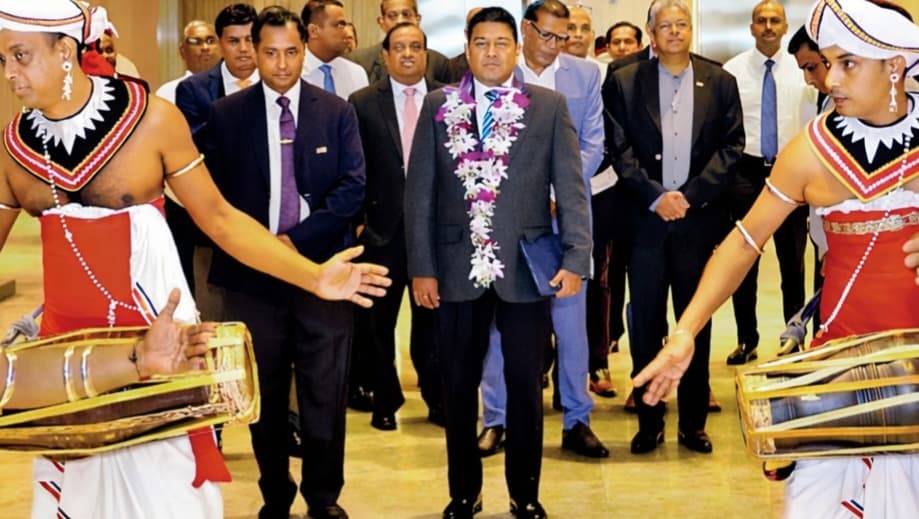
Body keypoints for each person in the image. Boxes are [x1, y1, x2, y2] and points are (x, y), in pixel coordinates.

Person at [0, 1, 388, 517]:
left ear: (66, 51)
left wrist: (315, 277)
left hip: (158, 342)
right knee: (72, 492)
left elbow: (220, 219)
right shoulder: (14, 146)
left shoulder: (152, 121)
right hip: (65, 355)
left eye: (21, 56)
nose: (10, 74)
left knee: (166, 492)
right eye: (4, 59)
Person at [635, 0, 919, 516]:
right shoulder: (811, 150)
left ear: (894, 64)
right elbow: (744, 242)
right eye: (828, 62)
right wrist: (686, 332)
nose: (831, 78)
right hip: (839, 370)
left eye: (848, 63)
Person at [405, 7, 591, 518]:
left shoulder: (547, 106)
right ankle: (464, 491)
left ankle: (524, 493)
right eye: (481, 43)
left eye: (501, 43)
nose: (491, 52)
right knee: (458, 387)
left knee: (526, 387)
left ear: (517, 48)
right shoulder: (439, 106)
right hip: (453, 268)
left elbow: (571, 190)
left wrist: (576, 258)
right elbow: (419, 192)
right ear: (468, 49)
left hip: (526, 269)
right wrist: (421, 266)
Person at [203, 7, 363, 518]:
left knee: (323, 392)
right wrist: (263, 249)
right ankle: (275, 494)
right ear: (252, 50)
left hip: (323, 275)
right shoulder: (228, 114)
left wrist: (294, 243)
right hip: (251, 281)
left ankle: (323, 498)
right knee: (264, 394)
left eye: (291, 52)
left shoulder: (336, 111)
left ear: (303, 49)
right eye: (269, 52)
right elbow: (216, 200)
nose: (280, 63)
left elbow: (353, 187)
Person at [605, 0, 744, 455]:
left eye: (682, 24)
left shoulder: (719, 80)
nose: (674, 32)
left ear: (691, 30)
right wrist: (655, 195)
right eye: (665, 25)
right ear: (651, 32)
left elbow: (731, 146)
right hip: (644, 221)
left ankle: (693, 423)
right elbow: (618, 147)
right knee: (645, 321)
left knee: (694, 320)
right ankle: (649, 420)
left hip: (697, 220)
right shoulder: (624, 80)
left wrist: (692, 195)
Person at [476, 0, 608, 460]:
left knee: (571, 326)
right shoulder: (495, 74)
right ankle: (497, 419)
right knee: (499, 324)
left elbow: (593, 141)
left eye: (564, 36)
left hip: (565, 217)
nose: (555, 46)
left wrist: (559, 187)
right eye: (547, 35)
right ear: (526, 31)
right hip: (508, 220)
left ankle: (577, 419)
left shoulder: (586, 75)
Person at [348, 22, 443, 431]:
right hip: (381, 230)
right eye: (399, 48)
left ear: (426, 54)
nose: (408, 54)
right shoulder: (362, 102)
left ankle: (438, 399)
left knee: (434, 323)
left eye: (415, 47)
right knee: (376, 325)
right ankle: (385, 398)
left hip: (437, 231)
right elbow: (353, 166)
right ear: (385, 56)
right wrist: (357, 223)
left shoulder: (447, 100)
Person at [721, 0, 813, 365]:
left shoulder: (802, 71)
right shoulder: (732, 72)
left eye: (775, 20)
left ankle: (794, 336)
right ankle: (747, 340)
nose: (769, 26)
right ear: (752, 27)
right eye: (762, 20)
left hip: (791, 173)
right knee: (745, 260)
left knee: (793, 264)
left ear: (785, 25)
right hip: (746, 173)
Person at [349, 0, 452, 84]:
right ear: (381, 22)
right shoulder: (359, 62)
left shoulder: (439, 63)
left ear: (418, 19)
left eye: (406, 14)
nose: (400, 21)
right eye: (392, 16)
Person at [300, 0, 368, 100]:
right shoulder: (290, 73)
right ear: (313, 31)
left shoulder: (356, 73)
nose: (346, 32)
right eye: (339, 25)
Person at [155, 20, 221, 104]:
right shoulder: (167, 92)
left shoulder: (235, 85)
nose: (205, 47)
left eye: (211, 41)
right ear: (182, 51)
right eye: (196, 42)